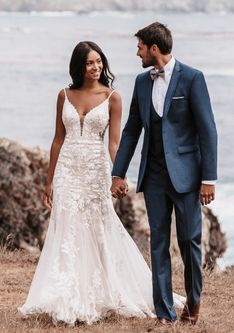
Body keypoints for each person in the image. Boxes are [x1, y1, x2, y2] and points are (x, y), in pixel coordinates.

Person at [18, 41, 184, 326]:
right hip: (68, 169)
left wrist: (118, 175)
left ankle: (105, 290)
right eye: (89, 63)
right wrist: (49, 182)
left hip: (96, 170)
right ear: (79, 66)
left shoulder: (112, 97)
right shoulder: (64, 95)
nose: (95, 67)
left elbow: (115, 143)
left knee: (99, 226)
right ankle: (67, 294)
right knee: (67, 228)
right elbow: (57, 139)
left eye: (98, 62)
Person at [111, 22, 217, 326]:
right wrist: (119, 172)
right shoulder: (142, 82)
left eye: (140, 47)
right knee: (158, 242)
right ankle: (165, 314)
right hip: (154, 175)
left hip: (186, 176)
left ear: (153, 49)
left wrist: (208, 179)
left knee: (189, 241)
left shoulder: (193, 79)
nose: (137, 53)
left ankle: (193, 302)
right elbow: (131, 131)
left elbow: (207, 130)